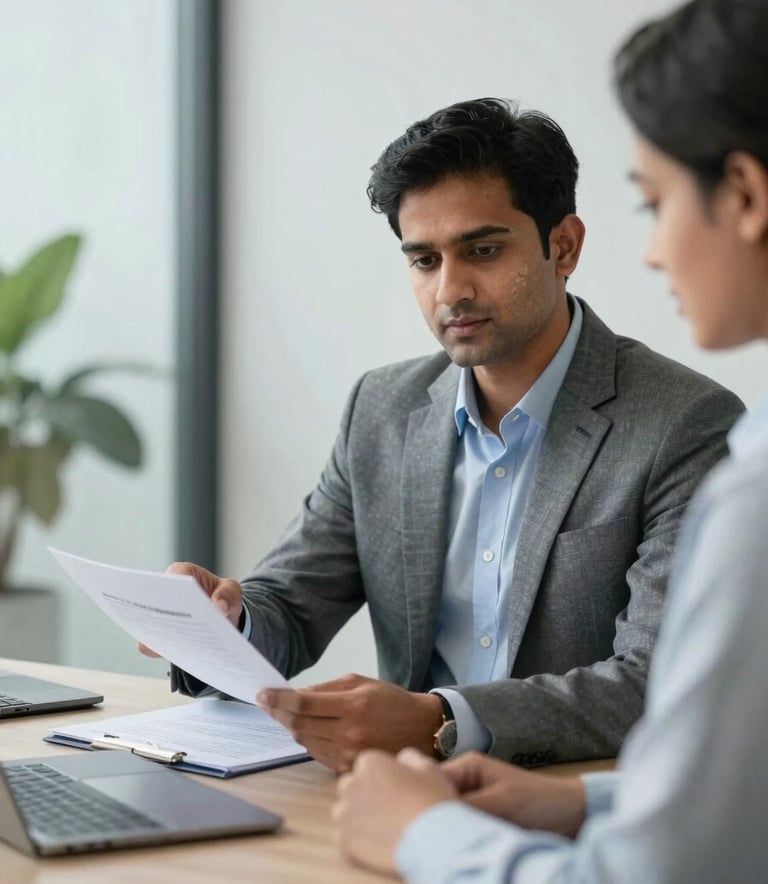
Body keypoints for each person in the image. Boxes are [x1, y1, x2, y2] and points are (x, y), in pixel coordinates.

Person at [157, 96, 742, 774]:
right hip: (398, 797)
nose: (450, 290)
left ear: (564, 246)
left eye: (483, 250)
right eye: (424, 260)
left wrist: (441, 720)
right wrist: (221, 622)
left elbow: (655, 681)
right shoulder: (381, 408)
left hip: (577, 806)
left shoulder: (686, 424)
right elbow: (290, 606)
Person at [331, 1, 768, 881]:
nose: (652, 252)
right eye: (422, 259)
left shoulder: (718, 451)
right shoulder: (381, 406)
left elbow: (654, 867)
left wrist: (423, 830)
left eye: (656, 203)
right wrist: (579, 803)